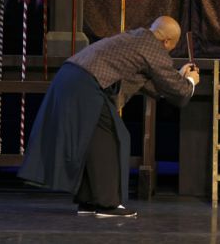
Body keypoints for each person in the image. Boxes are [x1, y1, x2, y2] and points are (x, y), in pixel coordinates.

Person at [18, 16, 200, 218]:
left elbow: (157, 86)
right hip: (86, 84)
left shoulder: (137, 38)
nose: (169, 52)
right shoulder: (152, 47)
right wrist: (190, 81)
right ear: (166, 42)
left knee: (93, 141)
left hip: (71, 76)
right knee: (113, 138)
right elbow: (179, 90)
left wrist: (180, 78)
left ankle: (89, 200)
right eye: (172, 47)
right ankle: (107, 204)